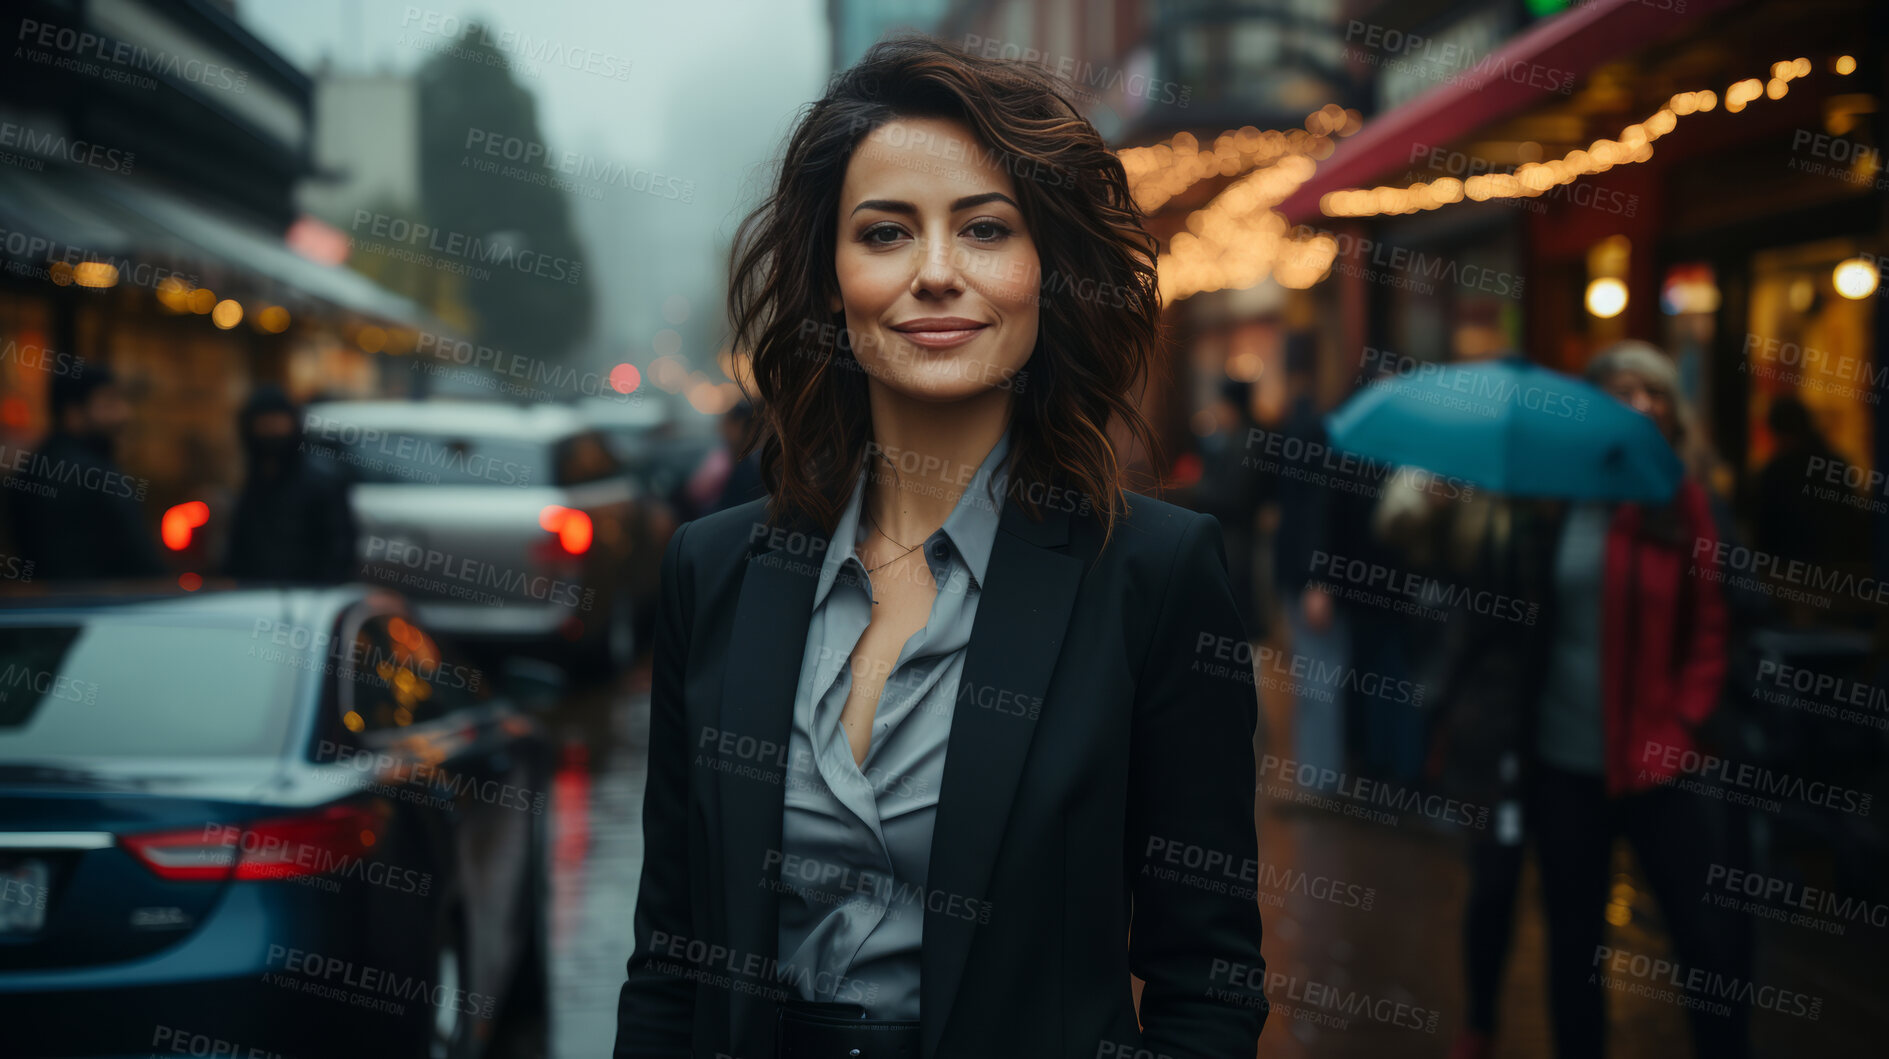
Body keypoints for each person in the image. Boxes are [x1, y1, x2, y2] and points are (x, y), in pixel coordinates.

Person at [614, 36, 1267, 1059]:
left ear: (1041, 271)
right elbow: (668, 961)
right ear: (831, 279)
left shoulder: (1153, 574)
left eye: (984, 230)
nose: (933, 274)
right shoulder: (715, 571)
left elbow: (1208, 980)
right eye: (883, 233)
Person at [1436, 340, 1750, 1059]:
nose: (1637, 405)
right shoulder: (1554, 500)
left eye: (1653, 392)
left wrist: (1684, 720)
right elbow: (1494, 607)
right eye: (1619, 392)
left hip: (1661, 763)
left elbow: (1714, 623)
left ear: (1673, 409)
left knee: (1704, 940)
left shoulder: (1687, 500)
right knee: (1574, 941)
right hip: (1560, 762)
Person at [3, 364, 165, 580]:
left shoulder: (35, 466)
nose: (124, 414)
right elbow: (144, 567)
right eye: (109, 403)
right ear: (73, 414)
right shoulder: (97, 476)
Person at [221, 384, 358, 583]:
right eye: (264, 423)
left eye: (277, 422)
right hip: (256, 594)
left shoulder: (321, 482)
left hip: (306, 597)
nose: (271, 431)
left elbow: (339, 547)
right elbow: (241, 543)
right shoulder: (254, 480)